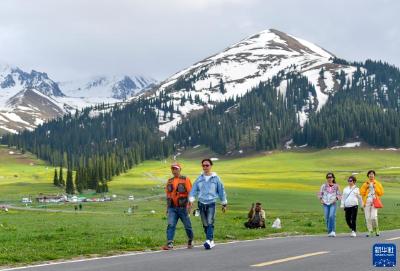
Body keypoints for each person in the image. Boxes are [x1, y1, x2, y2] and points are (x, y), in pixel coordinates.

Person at [189, 158, 227, 249]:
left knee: (210, 222)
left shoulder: (216, 178)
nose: (205, 167)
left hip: (211, 203)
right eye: (203, 165)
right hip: (201, 203)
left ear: (211, 166)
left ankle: (208, 240)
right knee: (205, 223)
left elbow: (221, 191)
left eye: (207, 165)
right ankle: (211, 241)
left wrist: (224, 203)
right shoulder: (199, 178)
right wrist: (191, 200)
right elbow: (194, 189)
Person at [162, 162, 194, 250]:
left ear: (180, 169)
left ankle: (190, 240)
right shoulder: (169, 181)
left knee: (187, 226)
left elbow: (190, 193)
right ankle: (170, 243)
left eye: (176, 168)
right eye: (173, 168)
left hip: (183, 207)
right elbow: (168, 195)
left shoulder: (186, 179)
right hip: (172, 208)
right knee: (171, 224)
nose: (174, 170)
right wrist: (167, 207)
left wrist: (190, 205)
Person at [360, 170, 384, 237]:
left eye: (372, 174)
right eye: (370, 174)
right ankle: (370, 230)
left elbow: (381, 193)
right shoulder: (365, 184)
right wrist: (366, 188)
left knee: (373, 217)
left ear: (374, 175)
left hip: (374, 201)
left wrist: (375, 188)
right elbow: (362, 193)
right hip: (367, 201)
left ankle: (376, 228)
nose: (371, 175)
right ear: (368, 176)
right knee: (367, 217)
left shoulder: (377, 183)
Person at [318, 172, 341, 237]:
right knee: (327, 217)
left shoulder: (336, 186)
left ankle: (333, 231)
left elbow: (339, 194)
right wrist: (321, 200)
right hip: (325, 203)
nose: (329, 178)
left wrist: (335, 199)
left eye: (330, 177)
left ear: (333, 178)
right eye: (328, 177)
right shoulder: (323, 186)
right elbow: (320, 193)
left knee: (331, 216)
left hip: (333, 203)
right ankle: (329, 231)